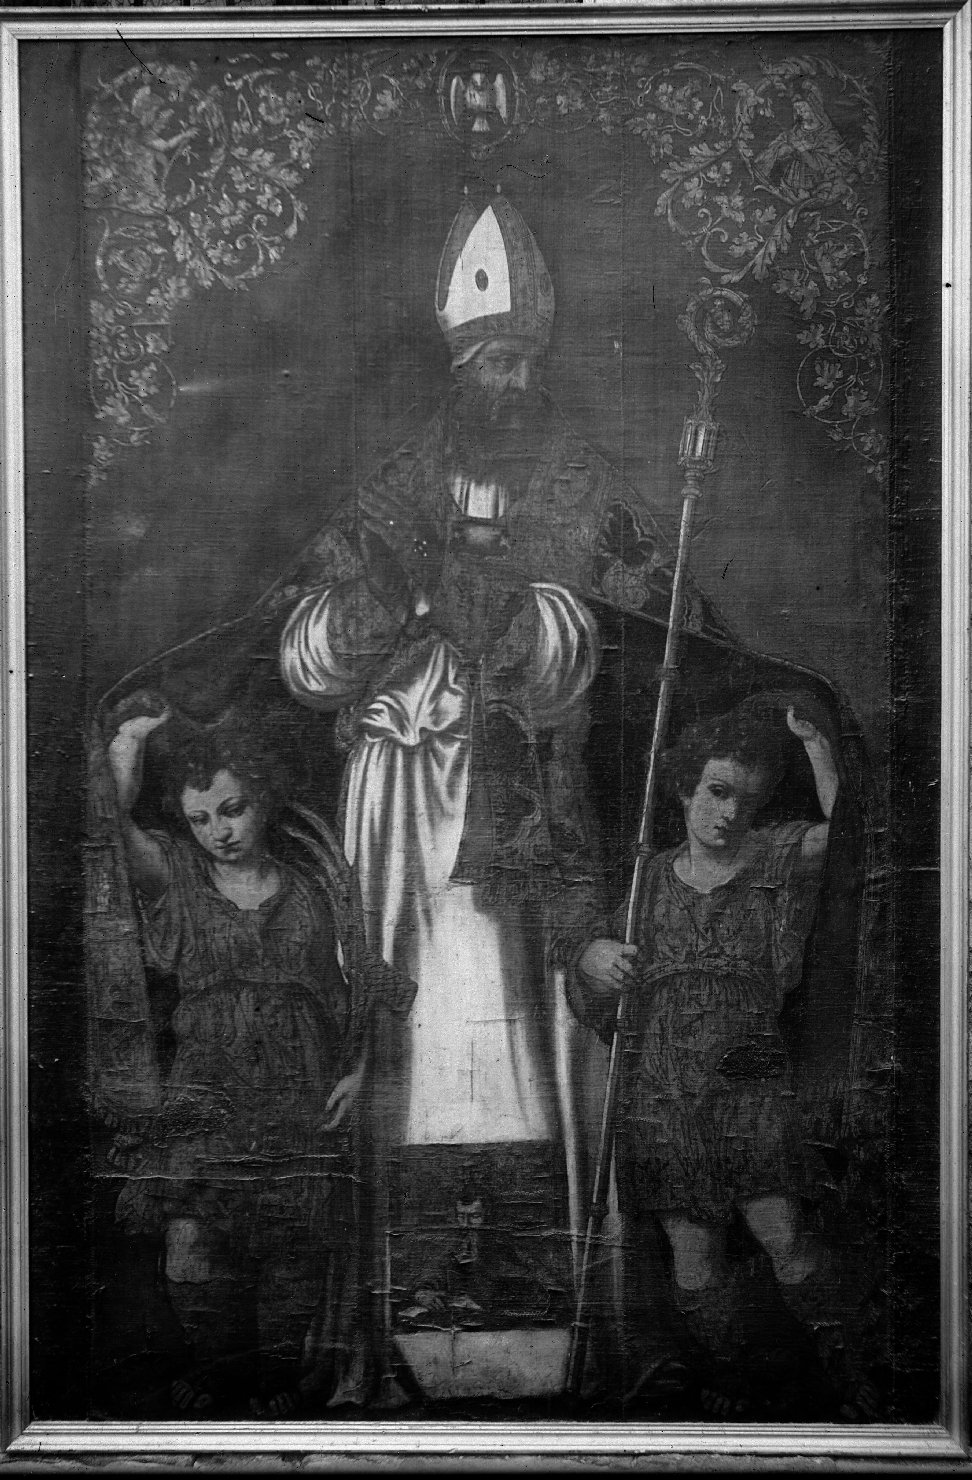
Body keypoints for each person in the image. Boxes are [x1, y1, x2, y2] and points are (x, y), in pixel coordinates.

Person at [88, 191, 881, 1404]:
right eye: (494, 360)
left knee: (533, 1051)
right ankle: (393, 1326)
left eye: (523, 359)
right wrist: (382, 611)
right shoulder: (391, 494)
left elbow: (647, 629)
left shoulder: (575, 489)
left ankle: (566, 1327)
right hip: (400, 811)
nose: (513, 381)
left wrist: (540, 621)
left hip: (530, 814)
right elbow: (299, 653)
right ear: (459, 369)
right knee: (405, 1051)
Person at [104, 698, 414, 1416]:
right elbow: (114, 829)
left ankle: (275, 1381)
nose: (218, 831)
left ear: (264, 799)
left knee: (292, 1249)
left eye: (232, 809)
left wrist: (359, 1068)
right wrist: (129, 744)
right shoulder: (179, 880)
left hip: (299, 1088)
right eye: (200, 819)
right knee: (191, 1240)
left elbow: (363, 986)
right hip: (208, 1090)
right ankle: (216, 1371)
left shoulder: (317, 889)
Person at [570, 697, 869, 1417]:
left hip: (748, 1080)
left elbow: (851, 835)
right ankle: (741, 1387)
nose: (730, 813)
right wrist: (592, 958)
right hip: (662, 1091)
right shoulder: (645, 883)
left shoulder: (774, 857)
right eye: (718, 791)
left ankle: (854, 1380)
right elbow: (592, 989)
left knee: (784, 1236)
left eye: (747, 800)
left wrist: (817, 749)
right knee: (693, 1256)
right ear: (684, 789)